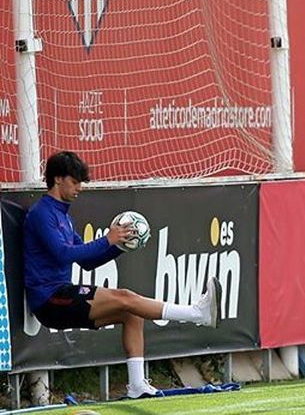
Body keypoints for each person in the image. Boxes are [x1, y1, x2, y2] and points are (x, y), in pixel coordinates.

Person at [23, 151, 221, 398]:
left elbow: (87, 262)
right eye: (75, 182)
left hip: (61, 295)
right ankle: (196, 314)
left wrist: (118, 246)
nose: (80, 188)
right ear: (58, 179)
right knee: (126, 296)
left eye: (81, 182)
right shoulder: (42, 214)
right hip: (49, 300)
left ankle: (137, 386)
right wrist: (107, 238)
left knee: (132, 313)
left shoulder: (63, 215)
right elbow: (64, 254)